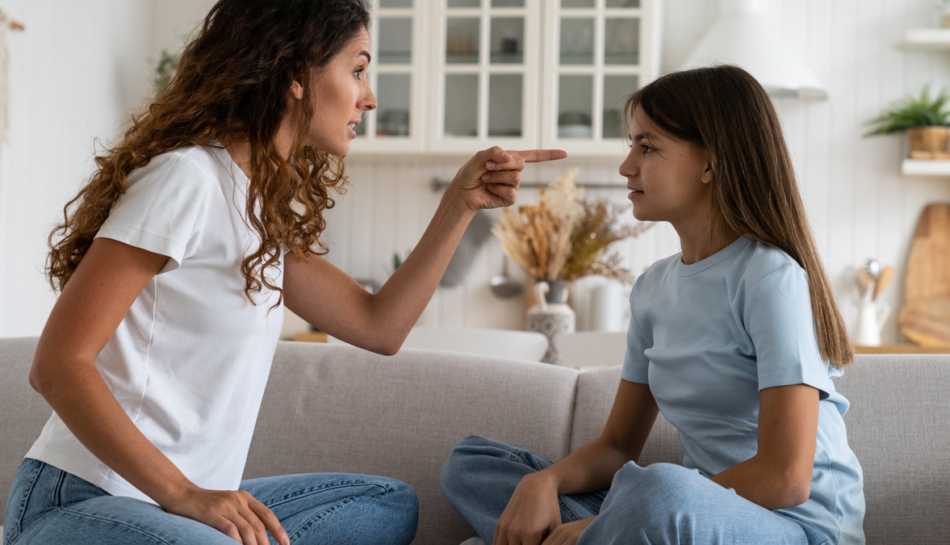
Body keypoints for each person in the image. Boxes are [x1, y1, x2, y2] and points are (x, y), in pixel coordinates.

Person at [2, 1, 566, 544]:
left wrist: (458, 205)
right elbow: (57, 365)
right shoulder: (186, 177)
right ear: (298, 73)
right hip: (83, 499)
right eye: (358, 70)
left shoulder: (255, 208)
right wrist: (185, 494)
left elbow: (379, 327)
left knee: (387, 505)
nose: (368, 98)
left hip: (185, 511)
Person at [441, 65, 865, 545]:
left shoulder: (772, 280)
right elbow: (618, 446)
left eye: (647, 147)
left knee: (661, 490)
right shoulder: (652, 288)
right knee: (470, 465)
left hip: (793, 527)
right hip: (688, 516)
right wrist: (546, 481)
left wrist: (609, 521)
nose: (626, 166)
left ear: (711, 163)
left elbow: (786, 477)